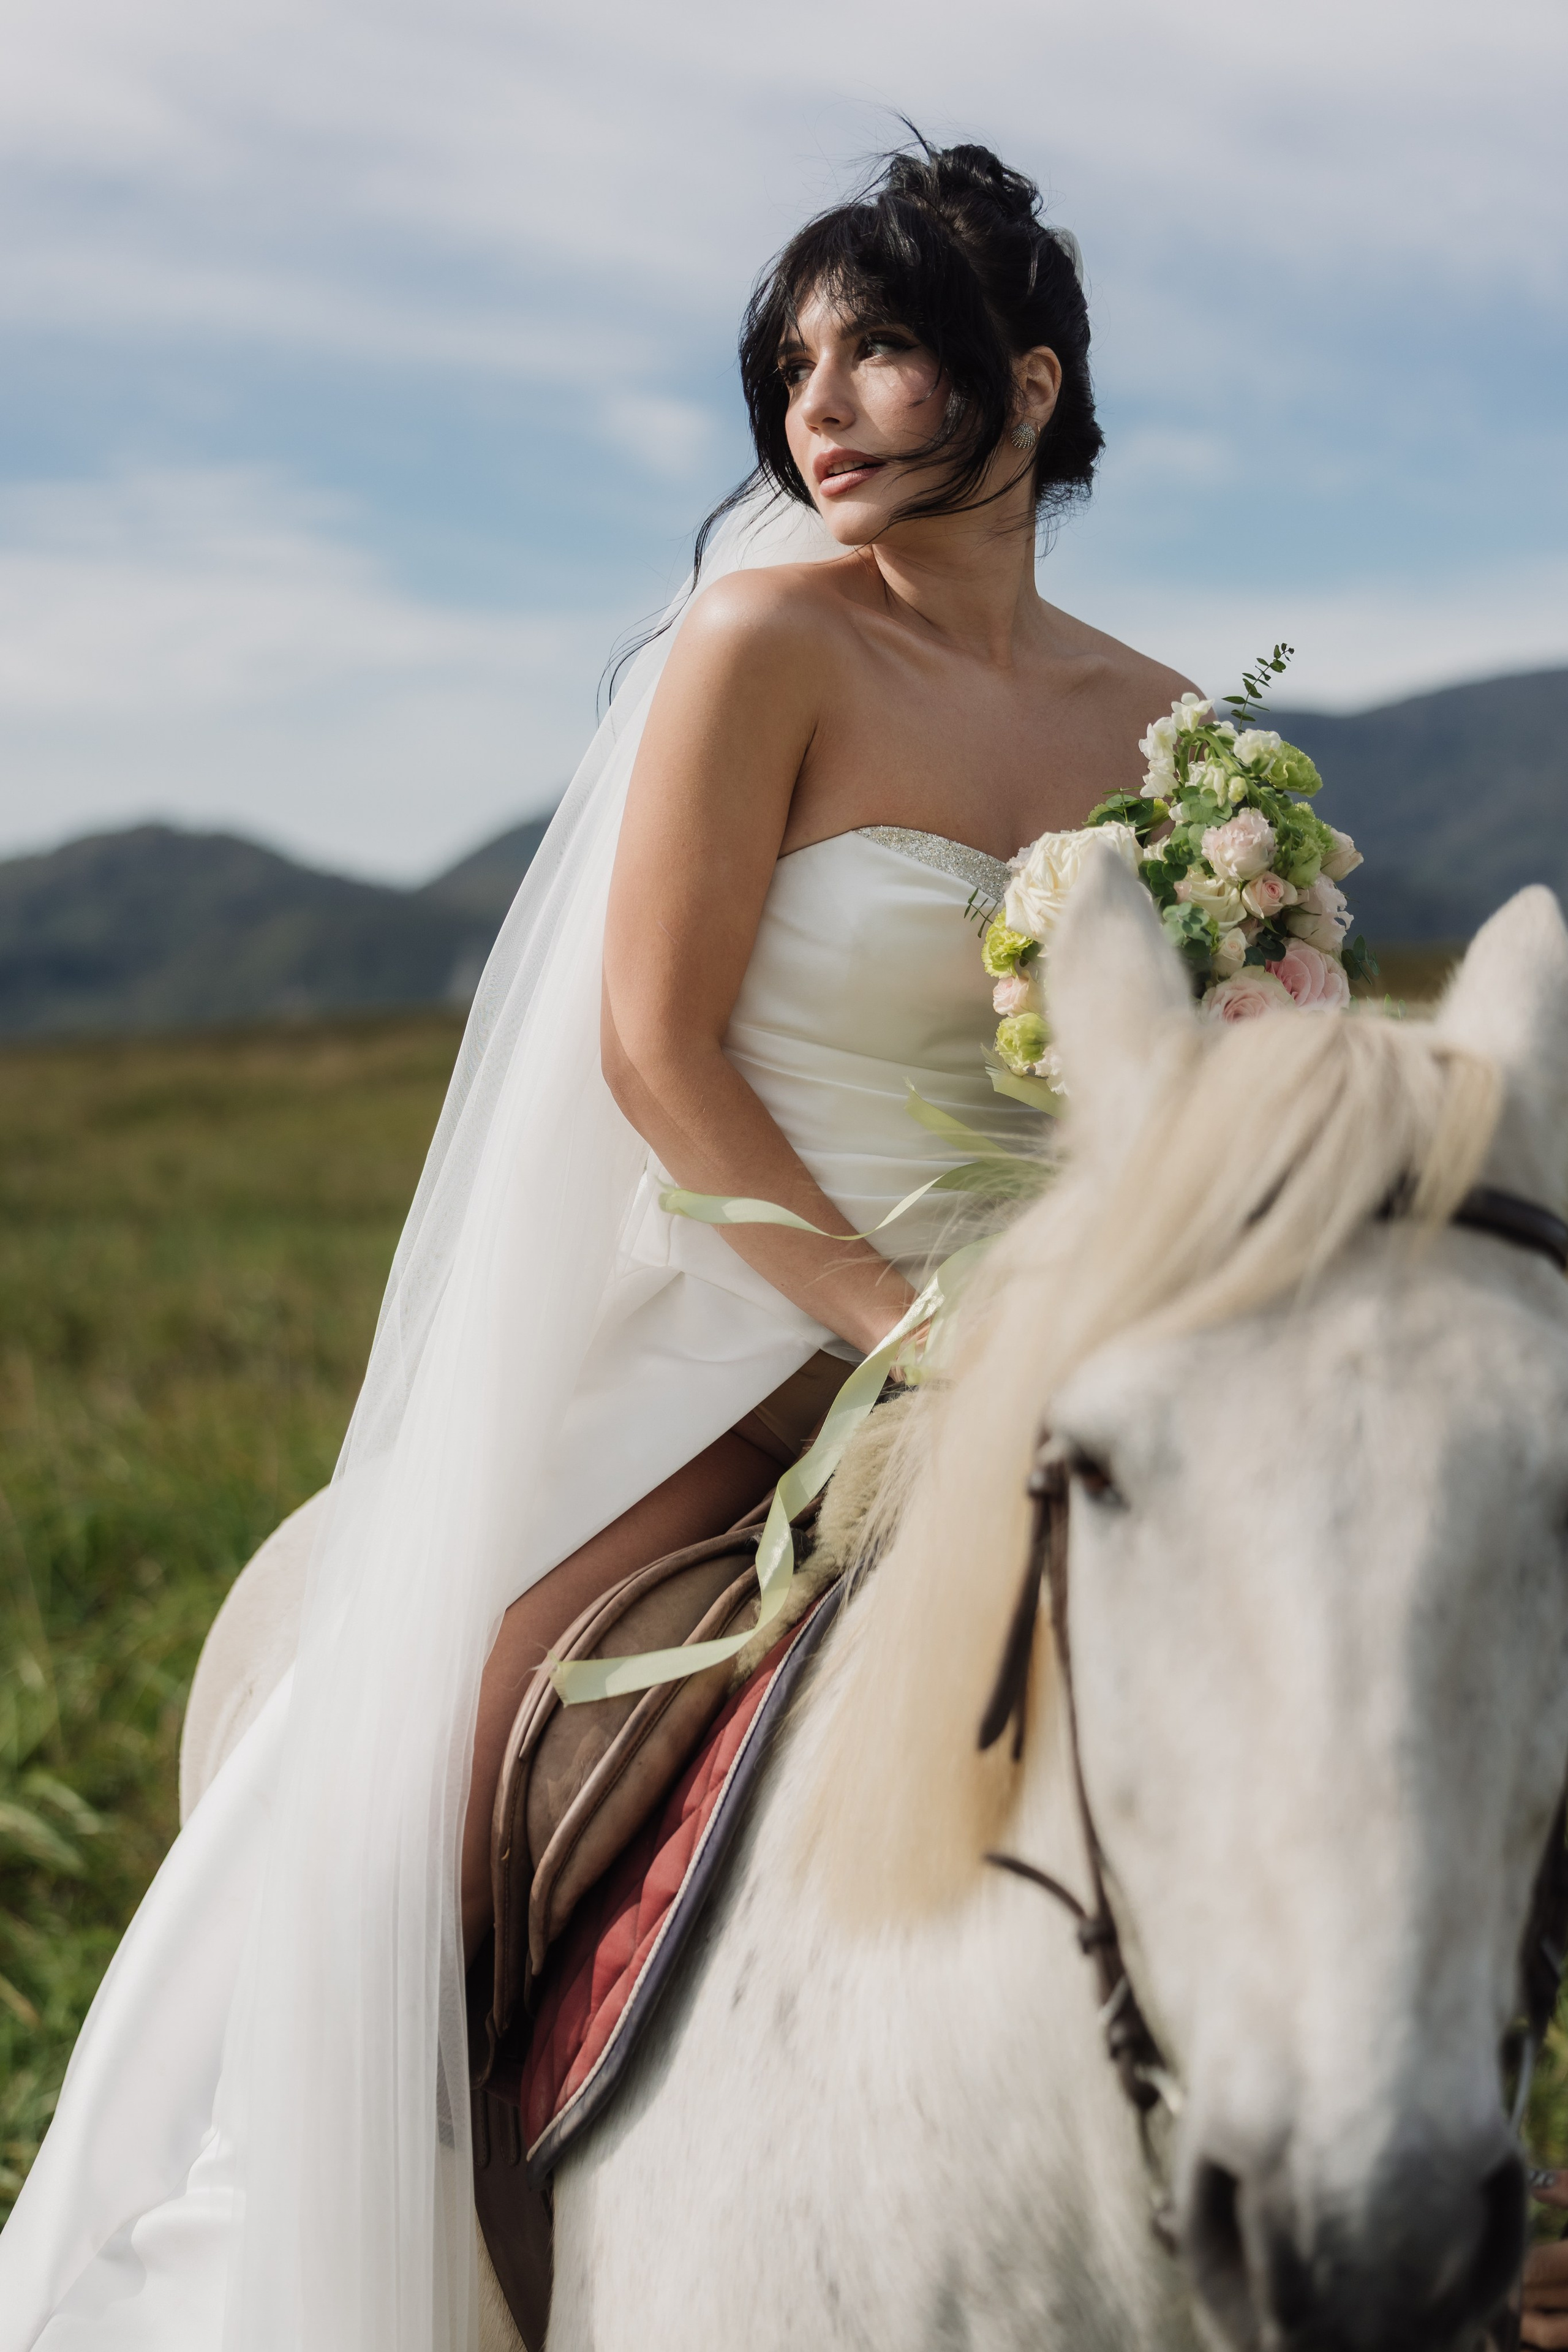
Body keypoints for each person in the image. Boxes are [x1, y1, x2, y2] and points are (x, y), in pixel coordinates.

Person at [0, 137, 1193, 2349]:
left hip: (1064, 1322)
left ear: (1028, 386)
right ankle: (417, 2229)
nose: (816, 408)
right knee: (425, 1770)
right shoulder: (768, 643)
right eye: (791, 367)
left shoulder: (1171, 733)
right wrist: (891, 1331)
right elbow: (659, 1050)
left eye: (883, 349)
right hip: (754, 1315)